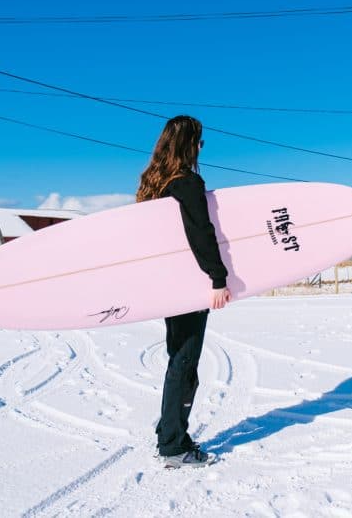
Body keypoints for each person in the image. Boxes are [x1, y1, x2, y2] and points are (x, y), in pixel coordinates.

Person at [136, 115, 232, 469]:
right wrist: (217, 277)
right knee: (184, 361)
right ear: (189, 144)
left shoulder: (153, 184)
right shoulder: (187, 183)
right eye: (199, 142)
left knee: (179, 357)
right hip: (190, 284)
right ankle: (173, 445)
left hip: (166, 285)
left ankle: (170, 428)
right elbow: (201, 232)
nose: (200, 149)